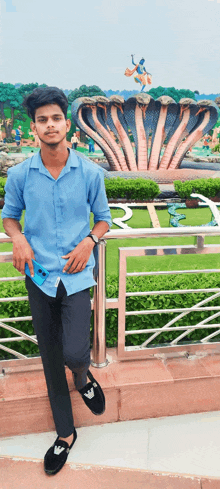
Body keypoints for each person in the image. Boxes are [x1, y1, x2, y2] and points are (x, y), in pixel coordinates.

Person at [1, 86, 112, 476]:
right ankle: (65, 434)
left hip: (78, 277)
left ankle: (83, 377)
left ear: (68, 125)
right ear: (35, 128)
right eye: (42, 120)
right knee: (51, 358)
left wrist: (90, 241)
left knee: (76, 352)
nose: (50, 125)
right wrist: (17, 238)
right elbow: (10, 216)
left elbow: (103, 218)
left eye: (56, 118)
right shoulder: (19, 174)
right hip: (38, 276)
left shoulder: (90, 172)